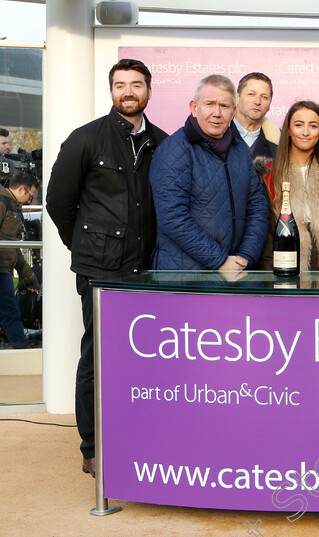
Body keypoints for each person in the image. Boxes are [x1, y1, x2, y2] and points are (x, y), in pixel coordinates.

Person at [46, 58, 168, 478]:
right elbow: (59, 202)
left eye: (136, 84)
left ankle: (137, 438)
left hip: (147, 271)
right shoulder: (85, 140)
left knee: (145, 359)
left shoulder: (162, 143)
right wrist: (86, 247)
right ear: (111, 91)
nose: (128, 91)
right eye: (121, 85)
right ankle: (92, 447)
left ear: (149, 92)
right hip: (101, 271)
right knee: (97, 358)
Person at [150, 74, 267, 271]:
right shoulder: (174, 150)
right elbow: (172, 217)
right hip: (185, 280)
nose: (217, 113)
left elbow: (257, 206)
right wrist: (220, 261)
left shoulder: (239, 150)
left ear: (233, 112)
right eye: (210, 104)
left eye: (224, 106)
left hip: (233, 274)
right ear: (194, 108)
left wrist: (245, 256)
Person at [257, 100, 319, 271]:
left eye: (313, 126)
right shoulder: (268, 175)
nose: (305, 132)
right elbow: (266, 241)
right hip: (285, 268)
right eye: (298, 125)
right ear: (288, 130)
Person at [0, 172, 38, 348]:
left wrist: (29, 278)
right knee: (11, 314)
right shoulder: (4, 203)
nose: (29, 201)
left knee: (10, 313)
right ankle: (23, 351)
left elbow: (13, 248)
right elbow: (13, 248)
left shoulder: (9, 205)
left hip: (4, 270)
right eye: (30, 197)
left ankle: (22, 350)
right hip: (2, 270)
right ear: (21, 189)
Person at [233, 72, 277, 159]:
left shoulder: (280, 142)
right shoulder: (218, 134)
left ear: (269, 104)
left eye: (264, 97)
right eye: (251, 94)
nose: (257, 101)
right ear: (237, 98)